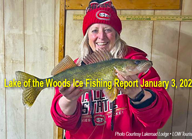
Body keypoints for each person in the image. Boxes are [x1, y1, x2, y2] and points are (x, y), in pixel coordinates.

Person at [51, 0, 172, 138]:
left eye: (108, 30)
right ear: (87, 36)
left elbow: (159, 117)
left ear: (116, 34)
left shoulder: (138, 68)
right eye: (94, 30)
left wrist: (138, 95)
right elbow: (63, 123)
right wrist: (68, 100)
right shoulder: (75, 68)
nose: (101, 37)